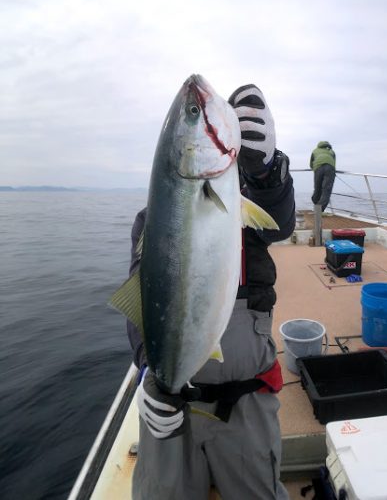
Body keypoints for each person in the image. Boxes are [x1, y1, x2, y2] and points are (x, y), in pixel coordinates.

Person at [127, 83, 296, 500]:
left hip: (245, 396)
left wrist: (268, 170)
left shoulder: (246, 203)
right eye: (192, 115)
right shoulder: (150, 222)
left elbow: (279, 221)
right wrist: (152, 374)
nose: (199, 104)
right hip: (170, 398)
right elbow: (141, 301)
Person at [310, 141, 336, 212]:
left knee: (317, 188)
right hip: (330, 168)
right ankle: (319, 210)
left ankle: (316, 206)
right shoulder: (331, 151)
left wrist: (315, 169)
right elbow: (334, 163)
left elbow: (311, 164)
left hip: (318, 168)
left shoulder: (315, 151)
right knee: (326, 190)